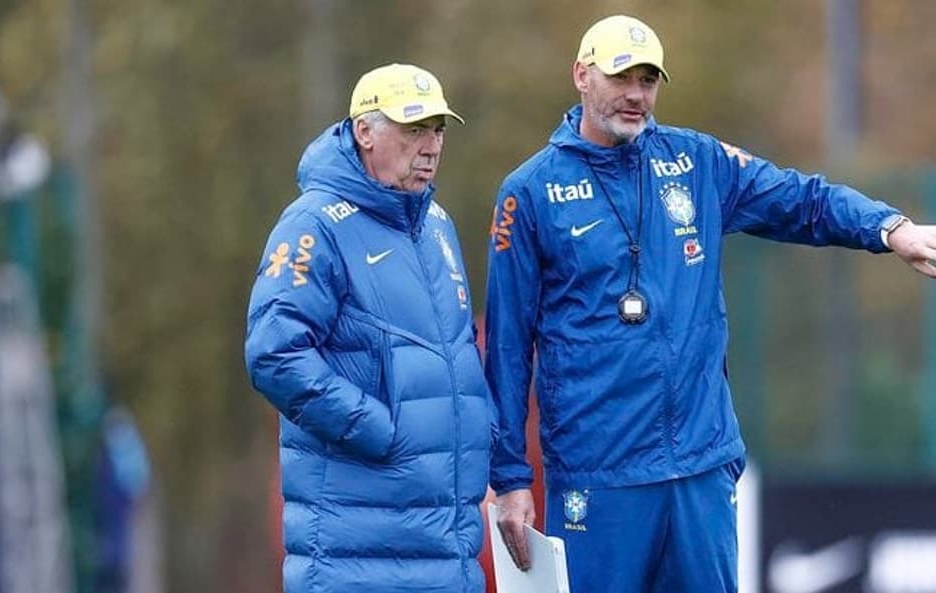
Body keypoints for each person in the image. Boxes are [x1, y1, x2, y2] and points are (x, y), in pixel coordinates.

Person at [486, 14, 936, 593]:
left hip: (699, 467)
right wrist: (511, 476)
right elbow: (506, 344)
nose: (635, 95)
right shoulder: (530, 192)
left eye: (648, 81)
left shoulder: (696, 163)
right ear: (581, 75)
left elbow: (802, 200)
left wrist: (888, 227)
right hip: (600, 474)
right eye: (621, 77)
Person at [245, 63, 493, 593]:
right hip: (354, 553)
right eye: (412, 129)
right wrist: (380, 430)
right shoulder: (312, 223)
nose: (429, 146)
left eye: (438, 130)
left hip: (446, 548)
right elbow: (274, 354)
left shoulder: (438, 225)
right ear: (364, 131)